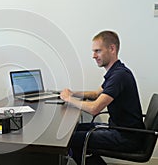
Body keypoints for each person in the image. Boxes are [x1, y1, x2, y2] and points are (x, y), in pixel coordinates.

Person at [60, 30, 145, 165]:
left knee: (68, 138)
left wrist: (68, 99)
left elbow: (95, 108)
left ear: (112, 49)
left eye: (97, 51)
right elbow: (95, 94)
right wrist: (72, 93)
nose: (93, 56)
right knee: (74, 130)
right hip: (120, 130)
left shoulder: (119, 76)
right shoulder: (116, 72)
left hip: (126, 137)